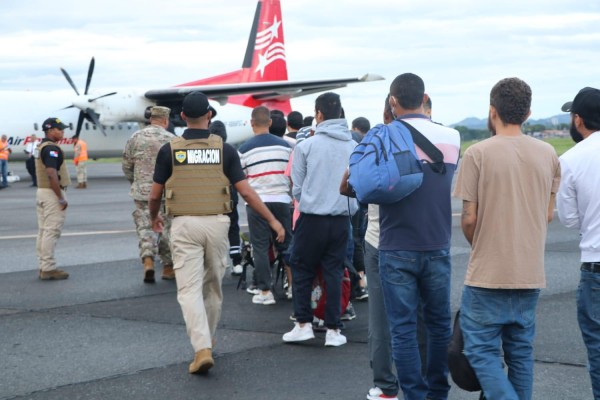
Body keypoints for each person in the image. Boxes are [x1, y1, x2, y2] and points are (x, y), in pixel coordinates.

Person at [149, 91, 285, 374]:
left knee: (189, 289)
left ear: (182, 116)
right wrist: (273, 220)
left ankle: (202, 347)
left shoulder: (169, 150)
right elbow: (247, 192)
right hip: (217, 224)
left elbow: (154, 194)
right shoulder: (225, 150)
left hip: (185, 224)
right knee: (212, 287)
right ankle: (207, 340)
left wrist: (154, 217)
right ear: (209, 115)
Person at [454, 77, 560, 400]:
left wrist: (483, 245)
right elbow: (547, 214)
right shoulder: (548, 154)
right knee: (521, 353)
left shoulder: (477, 153)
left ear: (492, 111)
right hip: (529, 273)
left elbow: (468, 218)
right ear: (528, 114)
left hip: (487, 275)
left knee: (480, 350)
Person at [377, 73, 460, 400]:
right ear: (424, 98)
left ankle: (412, 394)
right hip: (437, 243)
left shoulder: (383, 136)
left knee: (403, 329)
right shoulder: (452, 136)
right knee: (439, 325)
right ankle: (438, 391)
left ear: (392, 101)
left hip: (396, 245)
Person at [283, 92, 358, 347]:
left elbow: (296, 187)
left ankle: (303, 324)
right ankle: (333, 330)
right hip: (341, 219)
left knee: (302, 268)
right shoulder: (353, 146)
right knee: (334, 272)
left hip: (311, 218)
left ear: (319, 114)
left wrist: (310, 199)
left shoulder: (306, 146)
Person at [556, 87, 600, 398]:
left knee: (598, 350)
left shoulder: (570, 160)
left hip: (595, 265)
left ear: (578, 120)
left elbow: (569, 220)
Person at [238, 106, 293, 305]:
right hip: (282, 200)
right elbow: (293, 175)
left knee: (260, 247)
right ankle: (292, 287)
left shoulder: (243, 149)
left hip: (257, 202)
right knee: (287, 246)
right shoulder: (287, 147)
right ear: (270, 122)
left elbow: (241, 179)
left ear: (251, 123)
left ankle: (265, 291)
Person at [364, 99, 399, 400]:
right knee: (422, 317)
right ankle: (426, 387)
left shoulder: (375, 140)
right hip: (425, 242)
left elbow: (354, 187)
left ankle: (386, 386)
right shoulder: (443, 138)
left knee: (380, 318)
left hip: (380, 239)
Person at [122, 106, 175, 283]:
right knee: (166, 226)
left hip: (142, 191)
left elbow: (127, 165)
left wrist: (135, 182)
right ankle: (168, 267)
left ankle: (148, 260)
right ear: (165, 120)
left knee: (144, 226)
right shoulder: (171, 139)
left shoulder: (135, 137)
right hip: (165, 191)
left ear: (151, 119)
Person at [35, 118, 72, 280]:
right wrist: (60, 198)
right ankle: (48, 268)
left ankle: (44, 265)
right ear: (50, 131)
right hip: (51, 193)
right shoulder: (51, 148)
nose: (63, 131)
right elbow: (51, 173)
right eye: (59, 129)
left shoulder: (41, 146)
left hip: (42, 191)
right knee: (52, 230)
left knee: (44, 230)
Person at [209, 120, 243, 275]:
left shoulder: (206, 151)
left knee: (214, 230)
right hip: (230, 196)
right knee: (233, 227)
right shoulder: (230, 151)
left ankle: (218, 260)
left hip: (212, 198)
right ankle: (237, 262)